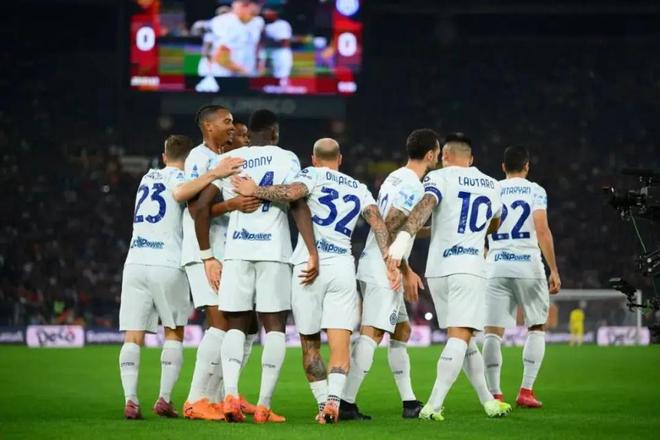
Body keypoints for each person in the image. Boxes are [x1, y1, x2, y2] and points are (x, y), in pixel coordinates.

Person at [232, 137, 399, 424]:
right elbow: (378, 224)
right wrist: (390, 261)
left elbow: (291, 193)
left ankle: (323, 404)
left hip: (308, 268)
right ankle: (334, 402)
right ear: (340, 159)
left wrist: (254, 189)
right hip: (342, 267)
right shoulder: (359, 188)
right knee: (340, 344)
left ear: (313, 158)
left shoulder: (312, 174)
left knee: (310, 344)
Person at [190, 109, 319, 423]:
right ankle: (263, 405)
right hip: (273, 252)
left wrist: (207, 254)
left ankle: (231, 396)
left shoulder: (233, 159)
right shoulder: (286, 158)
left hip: (236, 251)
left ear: (251, 132)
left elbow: (201, 208)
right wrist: (311, 250)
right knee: (274, 327)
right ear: (274, 133)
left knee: (235, 324)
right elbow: (297, 203)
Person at [387, 133, 512, 421]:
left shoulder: (439, 178)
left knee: (465, 339)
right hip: (469, 268)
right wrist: (474, 235)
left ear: (444, 157)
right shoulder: (493, 185)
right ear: (471, 159)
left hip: (438, 271)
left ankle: (488, 400)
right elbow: (495, 223)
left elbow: (423, 208)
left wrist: (403, 239)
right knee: (460, 336)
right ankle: (433, 405)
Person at [118, 134, 243, 420]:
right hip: (166, 262)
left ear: (164, 156)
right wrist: (214, 173)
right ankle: (164, 398)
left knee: (132, 335)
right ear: (189, 159)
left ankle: (130, 400)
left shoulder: (147, 178)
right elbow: (180, 193)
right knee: (173, 331)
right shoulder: (180, 177)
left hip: (135, 261)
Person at [340, 129, 440, 421]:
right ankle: (345, 402)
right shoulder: (412, 185)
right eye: (437, 152)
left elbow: (401, 225)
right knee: (373, 332)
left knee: (401, 331)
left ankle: (409, 402)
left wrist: (434, 231)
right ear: (430, 154)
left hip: (377, 262)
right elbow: (392, 223)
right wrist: (403, 269)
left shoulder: (395, 176)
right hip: (383, 267)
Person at [182, 105, 261, 421]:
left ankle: (222, 397)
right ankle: (195, 399)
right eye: (227, 122)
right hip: (205, 253)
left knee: (244, 324)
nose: (232, 127)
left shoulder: (223, 160)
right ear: (208, 125)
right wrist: (233, 205)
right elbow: (196, 210)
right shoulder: (199, 158)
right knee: (221, 324)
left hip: (224, 251)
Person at [482, 145, 561, 409]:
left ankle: (495, 395)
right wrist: (554, 269)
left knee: (492, 332)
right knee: (536, 326)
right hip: (528, 265)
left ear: (503, 167)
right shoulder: (535, 190)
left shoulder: (491, 189)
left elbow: (480, 230)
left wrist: (487, 257)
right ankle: (526, 390)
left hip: (496, 265)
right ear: (527, 166)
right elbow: (542, 230)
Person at [210, 0, 265, 76]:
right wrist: (243, 72)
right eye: (257, 4)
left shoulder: (258, 22)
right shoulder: (222, 22)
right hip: (223, 75)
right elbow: (220, 57)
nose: (259, 7)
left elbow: (256, 46)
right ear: (245, 5)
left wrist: (260, 62)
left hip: (247, 74)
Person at [259, 8, 293, 80]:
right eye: (265, 12)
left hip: (281, 56)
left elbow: (285, 43)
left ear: (275, 13)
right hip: (269, 56)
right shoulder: (264, 25)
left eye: (268, 12)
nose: (265, 14)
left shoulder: (282, 24)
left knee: (281, 80)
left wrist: (266, 40)